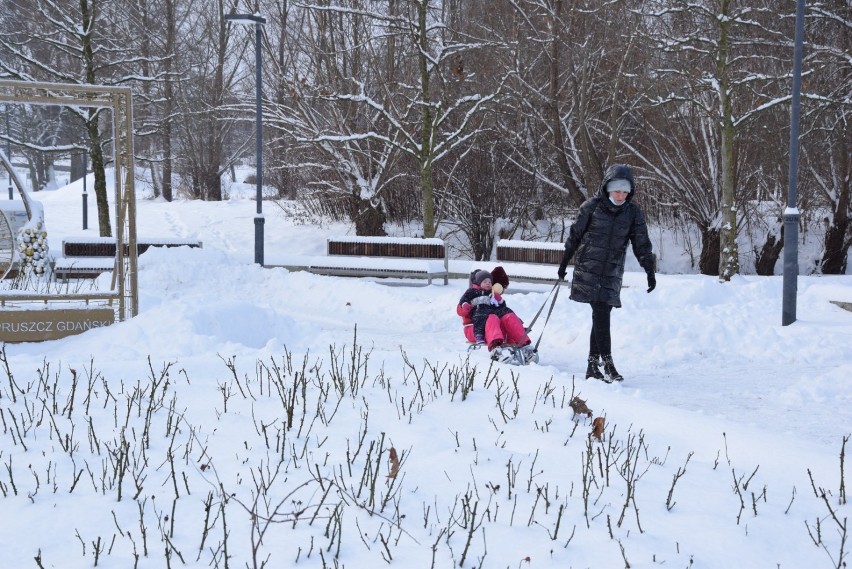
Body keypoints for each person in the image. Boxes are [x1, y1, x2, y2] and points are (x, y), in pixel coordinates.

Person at [557, 163, 656, 382]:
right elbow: (575, 236)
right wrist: (564, 263)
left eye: (625, 191)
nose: (620, 195)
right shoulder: (591, 207)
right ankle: (608, 365)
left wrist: (649, 270)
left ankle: (593, 366)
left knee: (601, 316)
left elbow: (641, 243)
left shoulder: (632, 213)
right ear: (607, 188)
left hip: (611, 271)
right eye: (616, 190)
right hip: (589, 268)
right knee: (601, 314)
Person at [457, 267, 531, 353]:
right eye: (484, 282)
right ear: (477, 282)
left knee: (508, 314)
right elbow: (461, 307)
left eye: (489, 282)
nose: (488, 284)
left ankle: (524, 344)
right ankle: (495, 348)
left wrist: (500, 301)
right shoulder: (471, 293)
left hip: (496, 329)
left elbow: (501, 308)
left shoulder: (491, 293)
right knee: (492, 317)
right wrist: (465, 306)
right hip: (475, 330)